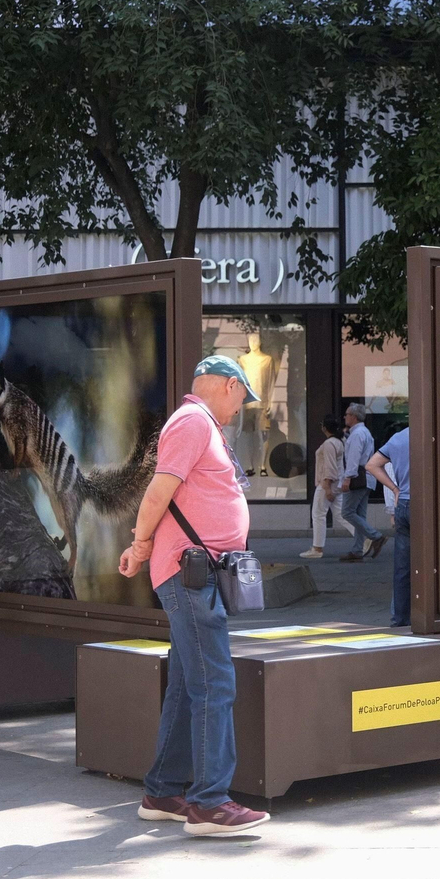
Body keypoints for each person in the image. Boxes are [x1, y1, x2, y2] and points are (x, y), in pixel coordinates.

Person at [118, 356, 270, 836]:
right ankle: (209, 803)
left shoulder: (199, 424)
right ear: (229, 385)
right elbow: (157, 494)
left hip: (197, 573)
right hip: (190, 575)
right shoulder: (191, 422)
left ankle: (162, 790)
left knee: (188, 684)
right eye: (243, 395)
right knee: (216, 684)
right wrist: (141, 545)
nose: (242, 405)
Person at [366, 426, 411, 628]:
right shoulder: (438, 432)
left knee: (402, 565)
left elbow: (372, 465)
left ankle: (400, 617)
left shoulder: (398, 438)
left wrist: (394, 489)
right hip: (428, 502)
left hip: (403, 503)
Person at [338, 402, 386, 562]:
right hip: (366, 477)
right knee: (359, 514)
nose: (345, 417)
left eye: (347, 414)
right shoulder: (363, 432)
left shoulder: (357, 434)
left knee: (347, 511)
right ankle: (357, 550)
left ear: (353, 416)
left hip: (358, 476)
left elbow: (353, 457)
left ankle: (375, 536)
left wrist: (348, 477)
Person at [302, 414, 354, 559]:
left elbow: (329, 467)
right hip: (336, 482)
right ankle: (364, 538)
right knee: (340, 514)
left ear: (324, 428)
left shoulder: (329, 444)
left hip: (327, 483)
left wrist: (326, 487)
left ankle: (317, 548)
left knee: (318, 514)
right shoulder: (339, 442)